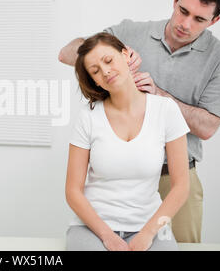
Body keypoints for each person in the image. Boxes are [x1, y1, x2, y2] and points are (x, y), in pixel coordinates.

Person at [60, 0, 220, 243]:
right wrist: (108, 58)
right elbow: (68, 52)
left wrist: (159, 95)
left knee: (182, 245)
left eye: (199, 19)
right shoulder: (131, 32)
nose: (186, 24)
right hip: (116, 173)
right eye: (183, 10)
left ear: (214, 20)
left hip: (174, 176)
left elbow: (207, 127)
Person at [65, 32, 190, 251]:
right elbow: (72, 190)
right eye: (95, 71)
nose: (105, 71)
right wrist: (107, 236)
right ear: (93, 79)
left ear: (125, 54)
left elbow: (181, 186)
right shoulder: (88, 116)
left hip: (150, 225)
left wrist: (148, 234)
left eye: (108, 60)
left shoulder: (165, 109)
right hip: (93, 227)